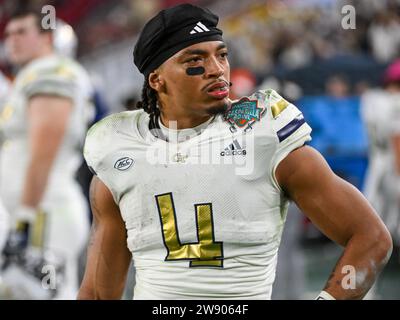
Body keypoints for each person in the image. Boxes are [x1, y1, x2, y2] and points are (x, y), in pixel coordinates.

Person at [78, 4, 392, 300]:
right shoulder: (121, 148)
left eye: (222, 55)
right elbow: (96, 292)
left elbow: (371, 238)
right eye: (195, 61)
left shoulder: (263, 131)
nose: (216, 70)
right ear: (157, 79)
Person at [0, 8, 94, 299]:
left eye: (22, 33)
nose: (11, 41)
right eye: (9, 33)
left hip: (42, 213)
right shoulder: (28, 79)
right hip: (29, 213)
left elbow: (45, 149)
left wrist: (23, 220)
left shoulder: (52, 71)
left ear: (47, 38)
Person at [362, 59, 400, 249]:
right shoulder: (388, 102)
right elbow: (396, 139)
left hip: (379, 159)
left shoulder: (371, 99)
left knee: (374, 211)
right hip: (387, 159)